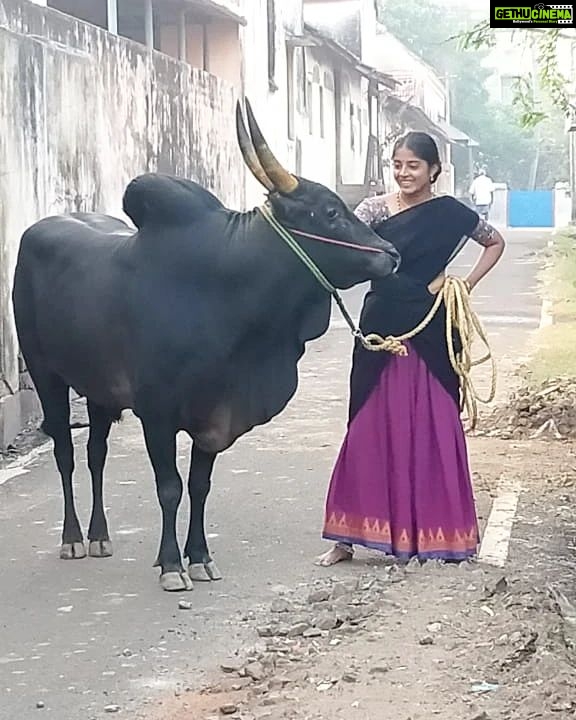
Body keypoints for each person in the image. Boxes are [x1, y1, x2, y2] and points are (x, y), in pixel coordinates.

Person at [316, 131, 505, 567]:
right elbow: (346, 250)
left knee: (433, 420)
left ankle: (438, 534)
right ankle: (347, 538)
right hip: (380, 324)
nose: (404, 173)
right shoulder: (373, 209)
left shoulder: (452, 213)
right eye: (398, 165)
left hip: (431, 325)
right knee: (367, 422)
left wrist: (465, 284)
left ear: (433, 170)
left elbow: (494, 241)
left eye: (413, 166)